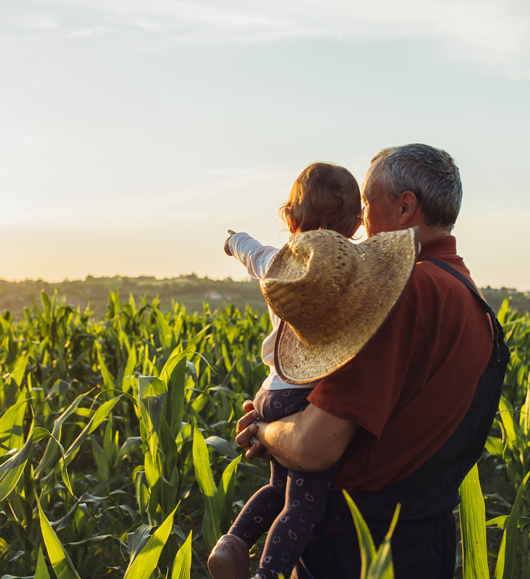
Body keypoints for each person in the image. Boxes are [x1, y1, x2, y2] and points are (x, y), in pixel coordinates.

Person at [235, 143, 510, 579]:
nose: (360, 220)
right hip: (425, 540)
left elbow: (314, 445)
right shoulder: (474, 302)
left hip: (359, 547)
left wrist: (265, 431)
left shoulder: (402, 295)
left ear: (404, 208)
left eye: (366, 201)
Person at [208, 161, 405, 579]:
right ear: (356, 224)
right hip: (305, 394)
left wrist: (233, 241)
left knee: (279, 488)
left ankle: (234, 542)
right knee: (304, 503)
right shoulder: (352, 271)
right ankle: (268, 573)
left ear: (290, 219)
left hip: (270, 393)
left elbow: (248, 250)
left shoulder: (276, 263)